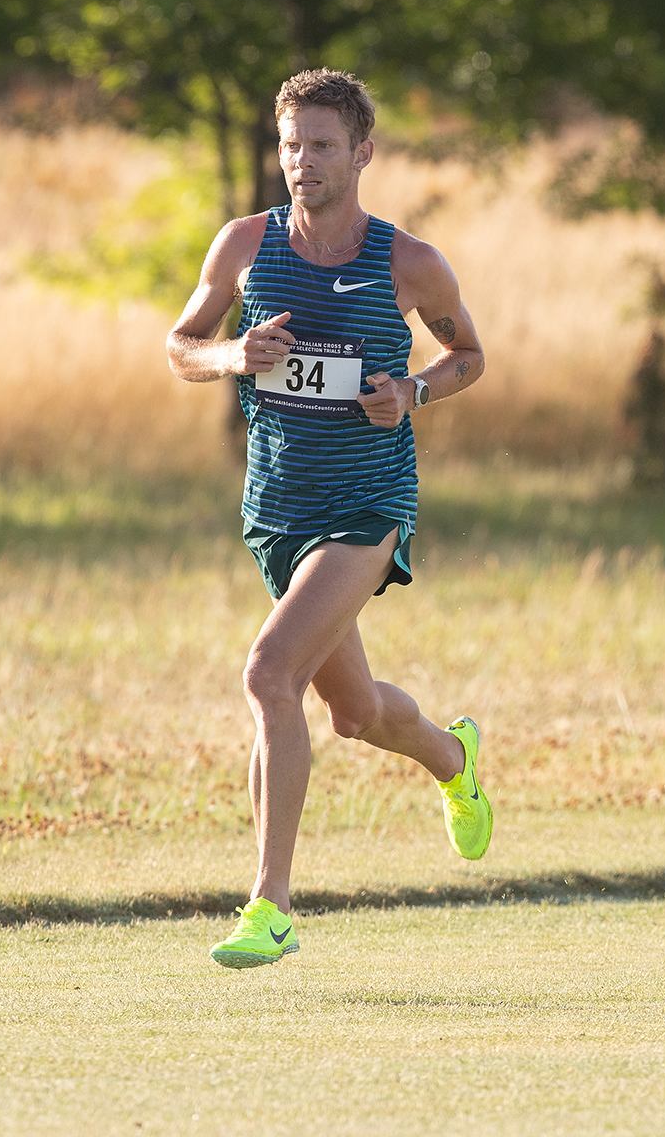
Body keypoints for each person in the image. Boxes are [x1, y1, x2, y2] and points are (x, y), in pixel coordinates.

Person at [165, 68, 491, 969]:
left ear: (362, 154)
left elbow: (468, 354)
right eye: (290, 145)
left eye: (321, 145)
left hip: (367, 505)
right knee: (353, 714)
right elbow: (180, 347)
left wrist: (414, 391)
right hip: (277, 510)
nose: (302, 161)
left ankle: (269, 907)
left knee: (269, 674)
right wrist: (233, 354)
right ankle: (454, 760)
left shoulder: (407, 262)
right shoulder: (244, 244)